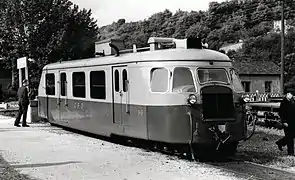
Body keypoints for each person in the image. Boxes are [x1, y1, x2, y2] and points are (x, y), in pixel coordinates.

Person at [276, 88, 295, 155]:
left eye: (292, 95)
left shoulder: (292, 101)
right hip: (286, 122)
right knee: (289, 137)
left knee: (291, 136)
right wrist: (284, 122)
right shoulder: (284, 102)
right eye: (291, 94)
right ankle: (291, 152)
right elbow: (281, 113)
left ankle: (280, 143)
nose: (292, 96)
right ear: (287, 94)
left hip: (293, 121)